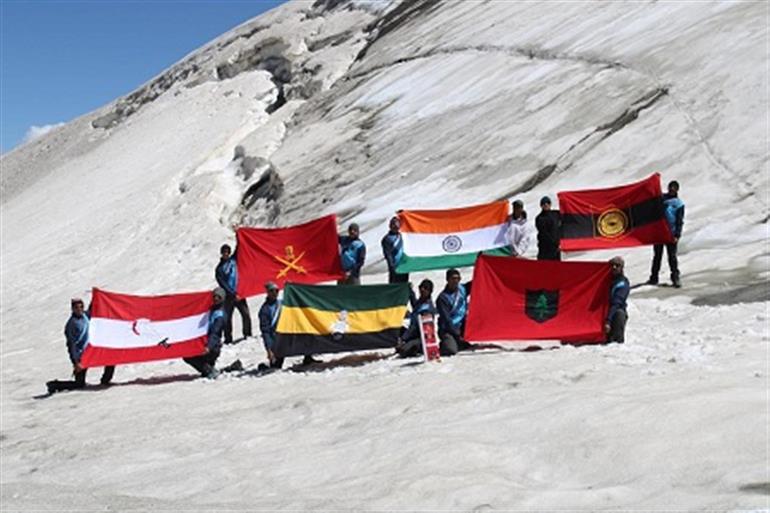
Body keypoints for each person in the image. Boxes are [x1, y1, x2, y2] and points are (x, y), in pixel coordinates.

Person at [46, 298, 115, 394]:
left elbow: (92, 309)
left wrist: (97, 297)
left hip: (91, 351)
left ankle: (105, 381)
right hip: (81, 355)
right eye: (77, 307)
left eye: (81, 307)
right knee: (79, 384)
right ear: (72, 309)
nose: (79, 309)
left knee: (110, 360)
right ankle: (55, 385)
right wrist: (75, 362)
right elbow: (71, 345)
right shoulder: (71, 324)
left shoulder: (85, 316)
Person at [184, 288, 227, 378]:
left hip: (212, 347)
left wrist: (208, 347)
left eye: (218, 297)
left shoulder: (220, 315)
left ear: (222, 298)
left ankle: (209, 370)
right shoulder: (211, 309)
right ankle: (208, 368)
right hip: (206, 343)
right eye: (214, 296)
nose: (216, 299)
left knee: (188, 356)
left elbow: (215, 333)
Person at [648, 180, 685, 288]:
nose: (671, 189)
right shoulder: (661, 199)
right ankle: (654, 277)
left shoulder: (679, 204)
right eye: (670, 187)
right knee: (657, 256)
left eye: (674, 188)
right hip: (659, 233)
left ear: (677, 190)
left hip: (671, 234)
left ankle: (675, 278)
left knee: (672, 257)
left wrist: (677, 235)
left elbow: (679, 220)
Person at [215, 243, 252, 344]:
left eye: (227, 252)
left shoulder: (234, 260)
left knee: (246, 314)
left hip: (240, 293)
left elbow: (239, 248)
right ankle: (228, 338)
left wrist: (238, 234)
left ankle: (247, 334)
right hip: (229, 296)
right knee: (227, 318)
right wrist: (232, 294)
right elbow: (222, 284)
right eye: (224, 252)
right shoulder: (219, 269)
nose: (226, 254)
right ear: (221, 253)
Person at [436, 269, 472, 356]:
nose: (455, 281)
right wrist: (457, 334)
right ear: (447, 280)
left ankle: (459, 341)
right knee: (451, 350)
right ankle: (446, 343)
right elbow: (446, 320)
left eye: (457, 278)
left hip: (462, 326)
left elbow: (476, 281)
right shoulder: (442, 298)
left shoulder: (462, 289)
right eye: (453, 278)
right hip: (448, 329)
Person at [396, 279, 436, 358]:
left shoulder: (427, 309)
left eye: (425, 288)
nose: (422, 290)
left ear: (430, 291)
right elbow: (414, 303)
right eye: (421, 287)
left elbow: (415, 328)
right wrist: (410, 290)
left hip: (421, 337)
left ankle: (414, 348)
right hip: (412, 333)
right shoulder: (420, 302)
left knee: (403, 351)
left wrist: (404, 339)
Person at [258, 281, 284, 369]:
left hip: (284, 335)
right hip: (275, 339)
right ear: (268, 292)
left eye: (276, 291)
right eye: (272, 291)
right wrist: (269, 349)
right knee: (276, 366)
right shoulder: (264, 310)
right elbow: (265, 331)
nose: (275, 293)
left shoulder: (282, 303)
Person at [606, 256, 630, 344]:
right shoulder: (607, 280)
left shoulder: (622, 284)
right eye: (612, 265)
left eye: (617, 265)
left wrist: (608, 321)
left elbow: (617, 303)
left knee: (619, 314)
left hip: (615, 314)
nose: (614, 267)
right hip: (605, 311)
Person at [381, 216, 408, 283]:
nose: (395, 226)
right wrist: (392, 266)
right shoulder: (387, 239)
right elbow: (388, 254)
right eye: (393, 224)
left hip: (404, 266)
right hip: (394, 267)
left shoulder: (403, 236)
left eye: (397, 224)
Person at [535, 196, 561, 260]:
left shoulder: (556, 214)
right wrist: (554, 243)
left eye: (548, 203)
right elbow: (543, 232)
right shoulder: (539, 218)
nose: (546, 205)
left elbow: (566, 214)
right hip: (545, 248)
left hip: (556, 249)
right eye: (544, 203)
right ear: (541, 205)